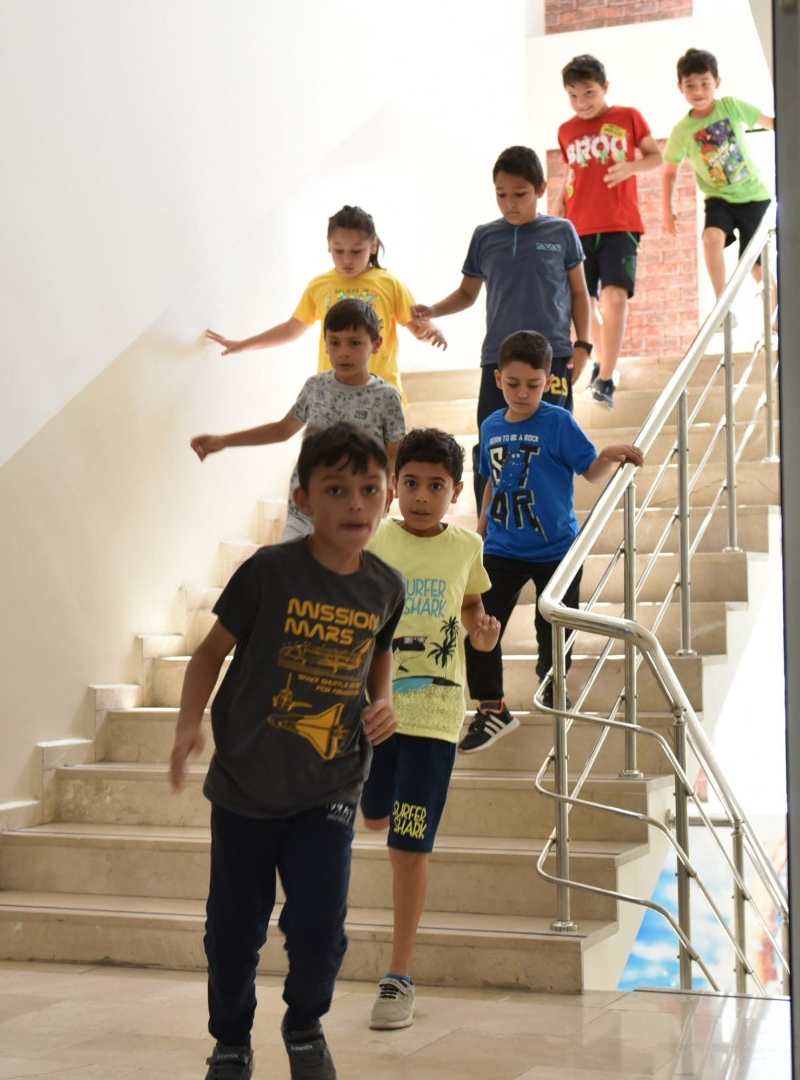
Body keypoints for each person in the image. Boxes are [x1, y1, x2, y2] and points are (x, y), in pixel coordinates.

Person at [170, 421, 406, 1080]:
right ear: (303, 498)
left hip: (330, 782)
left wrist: (382, 699)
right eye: (336, 489)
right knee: (232, 930)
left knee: (320, 927)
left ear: (387, 497)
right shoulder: (268, 572)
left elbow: (379, 648)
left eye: (369, 489)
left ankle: (304, 1026)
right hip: (244, 783)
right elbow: (208, 655)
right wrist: (188, 725)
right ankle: (230, 1041)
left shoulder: (386, 585)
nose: (355, 504)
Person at [358, 427, 502, 1030]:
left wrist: (480, 634)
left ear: (455, 492)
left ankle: (399, 977)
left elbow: (470, 605)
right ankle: (380, 806)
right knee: (374, 816)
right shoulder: (373, 540)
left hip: (435, 723)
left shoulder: (467, 547)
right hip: (374, 717)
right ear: (394, 487)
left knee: (407, 846)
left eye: (436, 486)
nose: (422, 496)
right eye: (411, 483)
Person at [460, 330, 643, 753]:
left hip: (556, 549)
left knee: (555, 626)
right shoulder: (491, 425)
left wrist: (609, 455)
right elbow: (491, 483)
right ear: (498, 379)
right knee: (480, 626)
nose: (523, 393)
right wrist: (480, 532)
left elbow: (589, 471)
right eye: (513, 383)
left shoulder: (558, 422)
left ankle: (552, 681)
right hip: (501, 548)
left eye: (534, 384)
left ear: (549, 381)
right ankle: (491, 707)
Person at [412, 146, 592, 508]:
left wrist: (583, 344)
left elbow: (579, 292)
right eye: (501, 194)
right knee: (493, 442)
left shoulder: (562, 231)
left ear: (541, 189)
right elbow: (467, 293)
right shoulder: (485, 237)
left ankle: (550, 521)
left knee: (550, 441)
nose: (510, 203)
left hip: (552, 358)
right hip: (498, 359)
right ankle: (491, 526)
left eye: (520, 194)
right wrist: (433, 309)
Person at [192, 298, 406, 541]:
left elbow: (394, 452)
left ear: (376, 344)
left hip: (357, 513)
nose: (343, 352)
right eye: (334, 342)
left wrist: (385, 490)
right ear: (326, 345)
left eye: (354, 343)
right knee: (292, 565)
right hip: (306, 510)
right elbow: (281, 430)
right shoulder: (315, 387)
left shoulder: (386, 396)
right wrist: (224, 441)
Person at [204, 205, 446, 397]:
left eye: (356, 251)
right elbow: (291, 329)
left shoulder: (390, 284)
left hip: (380, 392)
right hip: (333, 393)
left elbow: (418, 327)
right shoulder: (319, 286)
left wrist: (431, 331)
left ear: (373, 246)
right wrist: (242, 345)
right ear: (328, 247)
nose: (347, 259)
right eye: (338, 250)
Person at [551, 54, 664, 411]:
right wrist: (558, 204)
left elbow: (656, 157)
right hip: (578, 228)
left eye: (589, 93)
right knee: (586, 304)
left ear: (605, 87)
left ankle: (606, 378)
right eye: (573, 95)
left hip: (620, 225)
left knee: (614, 297)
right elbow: (572, 173)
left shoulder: (628, 117)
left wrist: (630, 167)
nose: (581, 102)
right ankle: (602, 363)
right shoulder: (566, 130)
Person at [660, 48, 776, 324]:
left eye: (705, 83)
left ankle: (776, 316)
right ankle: (723, 305)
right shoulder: (682, 131)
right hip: (719, 198)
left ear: (717, 82)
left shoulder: (730, 106)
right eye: (690, 85)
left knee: (755, 265)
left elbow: (770, 122)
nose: (698, 91)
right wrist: (667, 208)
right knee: (711, 238)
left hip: (753, 196)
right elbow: (670, 172)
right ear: (680, 87)